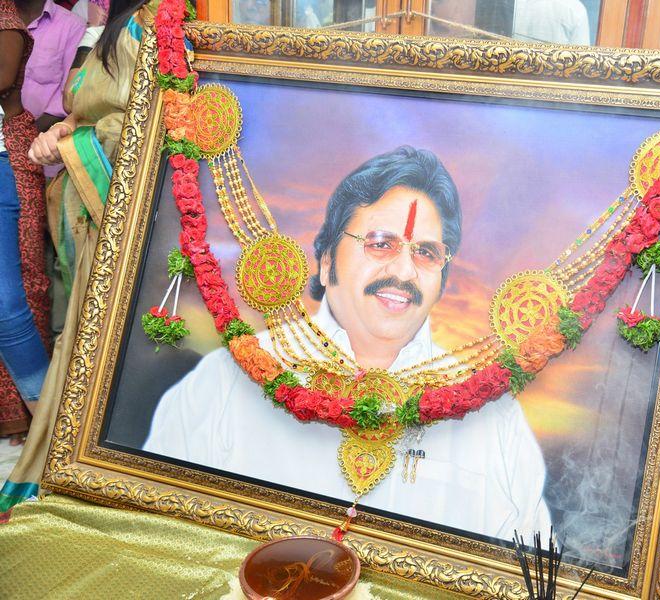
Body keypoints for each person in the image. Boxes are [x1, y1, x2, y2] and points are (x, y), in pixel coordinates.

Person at [144, 147, 552, 540]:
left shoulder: (494, 418)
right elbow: (156, 539)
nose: (405, 272)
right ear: (326, 262)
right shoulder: (225, 382)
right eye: (380, 243)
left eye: (426, 252)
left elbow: (529, 566)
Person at [0, 0, 157, 512]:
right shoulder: (109, 27)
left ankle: (119, 464)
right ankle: (77, 452)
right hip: (90, 203)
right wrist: (63, 131)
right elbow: (84, 110)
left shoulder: (159, 19)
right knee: (84, 329)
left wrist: (71, 141)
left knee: (114, 331)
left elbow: (151, 118)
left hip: (130, 209)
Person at [0, 0, 51, 445]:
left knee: (8, 303)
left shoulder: (5, 17)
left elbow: (2, 80)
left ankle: (52, 428)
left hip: (9, 156)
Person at [17, 0, 86, 134]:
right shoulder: (5, 18)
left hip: (39, 134)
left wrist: (27, 135)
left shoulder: (73, 27)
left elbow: (68, 100)